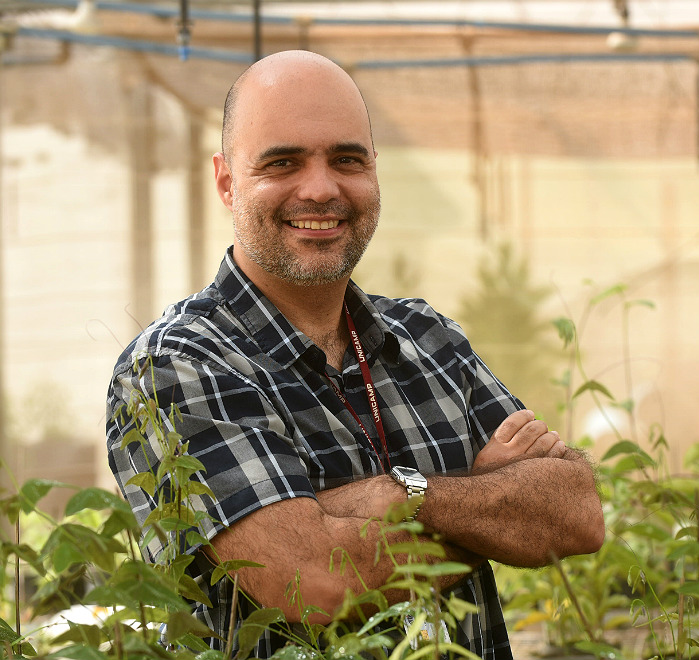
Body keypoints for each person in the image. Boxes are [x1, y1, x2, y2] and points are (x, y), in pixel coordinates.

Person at [106, 50, 604, 659]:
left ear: (374, 172)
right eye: (282, 162)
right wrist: (484, 500)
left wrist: (396, 495)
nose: (320, 188)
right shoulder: (178, 364)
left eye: (346, 159)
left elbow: (576, 512)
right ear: (227, 180)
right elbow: (312, 582)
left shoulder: (428, 337)